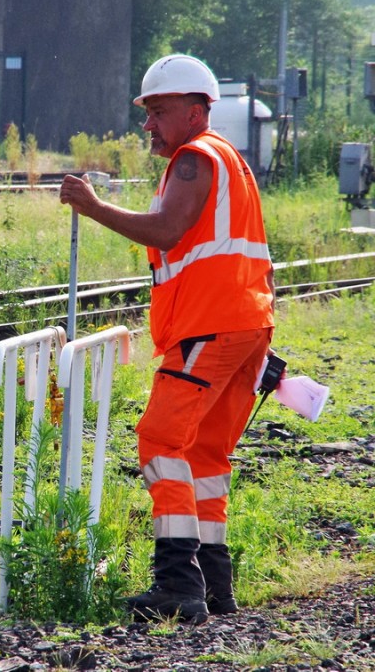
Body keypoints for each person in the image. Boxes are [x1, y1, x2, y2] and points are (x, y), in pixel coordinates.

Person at [59, 54, 276, 624]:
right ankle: (216, 586)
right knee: (203, 454)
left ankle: (179, 585)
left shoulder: (194, 158)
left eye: (158, 112)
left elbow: (167, 230)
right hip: (243, 323)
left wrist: (94, 205)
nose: (148, 125)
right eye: (147, 113)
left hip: (211, 324)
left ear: (196, 110)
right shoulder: (230, 161)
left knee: (159, 441)